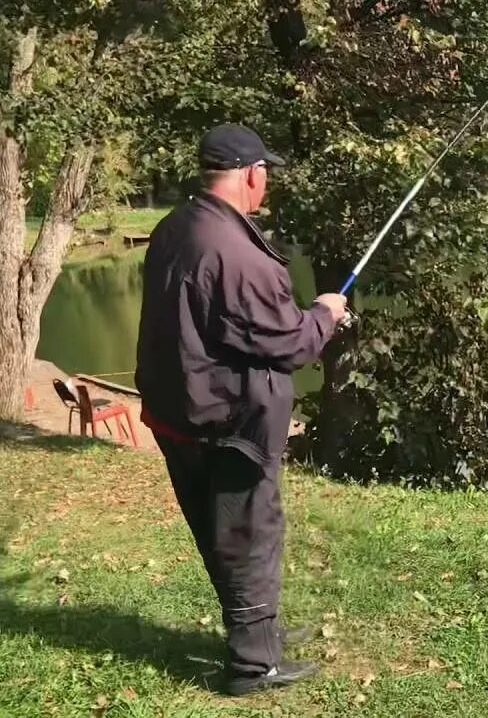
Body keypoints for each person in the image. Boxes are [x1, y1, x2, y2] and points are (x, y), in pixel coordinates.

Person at [135, 124, 348, 696]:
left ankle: (259, 635)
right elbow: (291, 343)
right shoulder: (237, 254)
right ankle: (254, 665)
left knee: (221, 531)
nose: (267, 183)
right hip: (227, 425)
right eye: (266, 173)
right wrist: (326, 311)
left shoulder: (174, 227)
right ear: (251, 173)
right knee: (248, 534)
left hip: (179, 416)